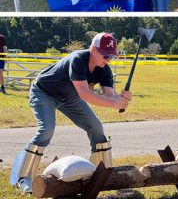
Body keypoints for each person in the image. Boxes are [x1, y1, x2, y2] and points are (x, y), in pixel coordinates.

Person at [11, 33, 129, 194]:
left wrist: (121, 98)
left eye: (111, 56)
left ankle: (101, 175)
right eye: (105, 54)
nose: (108, 59)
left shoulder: (104, 69)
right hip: (44, 92)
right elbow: (85, 94)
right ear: (93, 49)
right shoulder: (78, 59)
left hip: (70, 98)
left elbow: (109, 96)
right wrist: (114, 102)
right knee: (47, 129)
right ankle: (22, 178)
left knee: (96, 127)